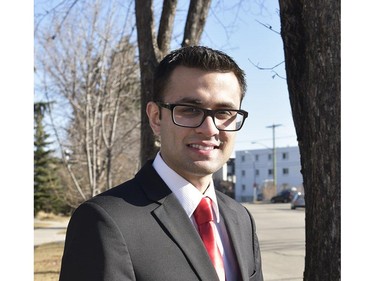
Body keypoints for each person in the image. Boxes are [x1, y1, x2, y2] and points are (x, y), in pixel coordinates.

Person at [59, 46, 263, 281]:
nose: (209, 128)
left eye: (224, 112)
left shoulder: (241, 218)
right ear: (156, 118)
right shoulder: (104, 222)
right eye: (189, 110)